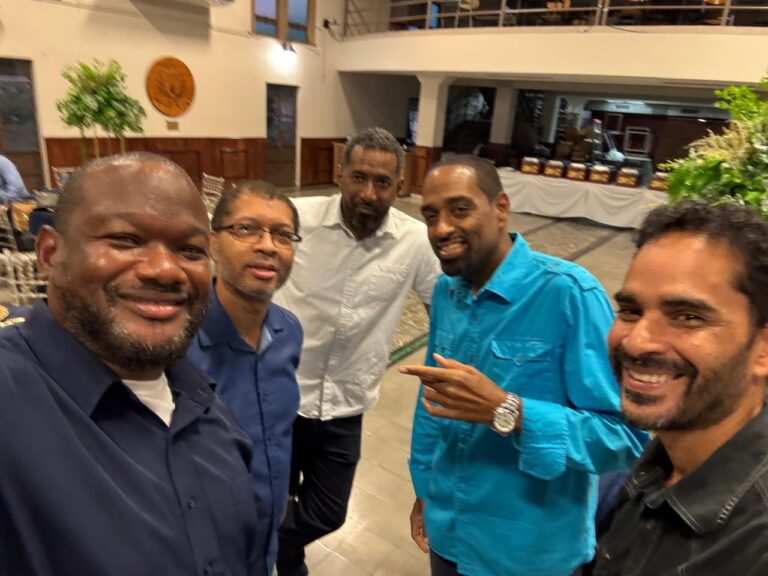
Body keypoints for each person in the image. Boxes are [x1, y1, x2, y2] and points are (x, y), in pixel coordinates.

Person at [0, 153, 261, 576]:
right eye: (125, 239)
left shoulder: (205, 402)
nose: (165, 270)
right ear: (49, 254)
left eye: (190, 250)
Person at [403, 155, 646, 576]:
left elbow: (626, 438)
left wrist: (511, 411)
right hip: (448, 532)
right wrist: (424, 488)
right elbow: (433, 403)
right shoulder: (446, 292)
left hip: (528, 555)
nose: (441, 229)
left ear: (500, 208)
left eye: (459, 209)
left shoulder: (568, 294)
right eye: (430, 216)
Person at [273, 127, 441, 576]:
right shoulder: (295, 219)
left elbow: (444, 313)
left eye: (382, 182)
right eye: (359, 177)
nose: (368, 193)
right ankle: (289, 566)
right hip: (280, 396)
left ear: (399, 185)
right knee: (274, 497)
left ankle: (258, 542)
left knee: (327, 512)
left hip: (345, 406)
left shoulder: (415, 241)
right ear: (340, 173)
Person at [590, 200, 768, 576]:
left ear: (763, 348)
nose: (637, 342)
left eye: (688, 317)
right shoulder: (663, 461)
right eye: (631, 311)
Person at [188, 181, 303, 576]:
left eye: (283, 235)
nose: (268, 245)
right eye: (247, 229)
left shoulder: (289, 332)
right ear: (213, 243)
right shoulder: (178, 347)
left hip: (266, 538)